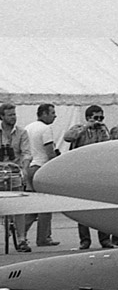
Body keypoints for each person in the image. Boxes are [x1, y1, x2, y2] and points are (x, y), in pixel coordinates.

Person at [63, 104, 113, 249]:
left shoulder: (103, 130)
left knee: (103, 208)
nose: (99, 120)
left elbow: (108, 145)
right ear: (88, 118)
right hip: (81, 174)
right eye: (96, 118)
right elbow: (68, 137)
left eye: (101, 117)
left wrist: (102, 129)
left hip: (99, 174)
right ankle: (85, 240)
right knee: (82, 208)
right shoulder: (79, 128)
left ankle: (105, 239)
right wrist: (86, 127)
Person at [21, 103, 61, 247]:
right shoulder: (46, 129)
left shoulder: (28, 127)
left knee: (33, 206)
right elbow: (50, 152)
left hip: (30, 167)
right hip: (42, 168)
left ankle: (20, 233)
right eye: (52, 113)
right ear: (44, 114)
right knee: (46, 205)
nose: (55, 116)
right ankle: (44, 238)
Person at [0, 103, 31, 251]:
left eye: (14, 114)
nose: (13, 117)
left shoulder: (22, 132)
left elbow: (26, 153)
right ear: (2, 116)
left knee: (19, 206)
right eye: (10, 115)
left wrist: (24, 168)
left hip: (14, 171)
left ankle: (21, 239)